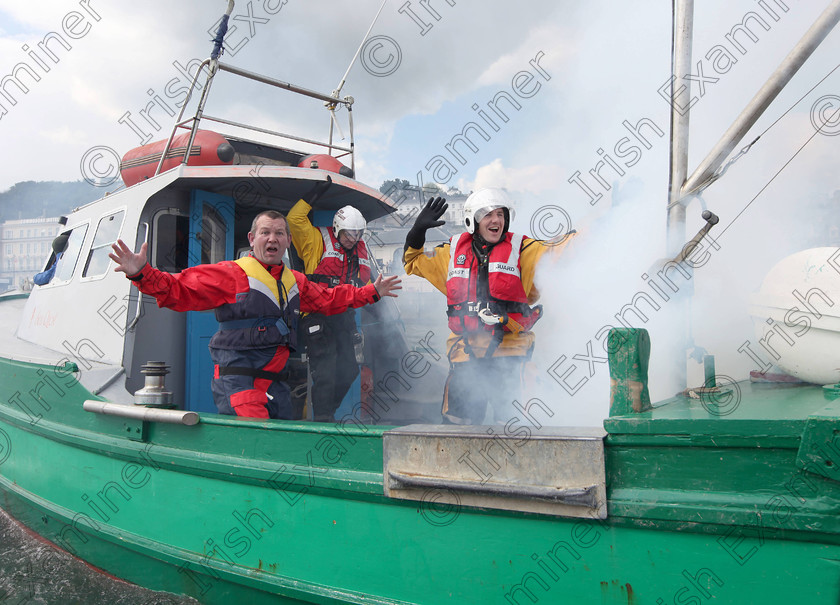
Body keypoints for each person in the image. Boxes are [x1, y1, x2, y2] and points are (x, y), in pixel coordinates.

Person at [109, 210, 401, 420]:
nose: (272, 239)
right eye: (265, 232)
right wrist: (142, 274)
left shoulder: (295, 280)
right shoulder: (231, 273)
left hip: (277, 385)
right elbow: (178, 289)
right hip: (240, 383)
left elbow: (329, 299)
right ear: (253, 238)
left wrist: (372, 291)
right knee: (258, 443)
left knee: (285, 442)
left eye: (278, 233)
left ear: (287, 241)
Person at [403, 189, 575, 424]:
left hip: (511, 356)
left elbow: (565, 250)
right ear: (472, 220)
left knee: (513, 429)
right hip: (465, 355)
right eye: (487, 215)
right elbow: (412, 261)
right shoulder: (452, 253)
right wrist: (417, 231)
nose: (496, 220)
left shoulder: (524, 249)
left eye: (500, 214)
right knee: (457, 427)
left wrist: (608, 218)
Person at [287, 176, 373, 422]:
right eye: (348, 233)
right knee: (325, 372)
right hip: (316, 315)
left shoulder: (359, 251)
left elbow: (363, 285)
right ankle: (323, 419)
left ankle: (327, 412)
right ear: (337, 228)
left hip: (343, 315)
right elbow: (294, 219)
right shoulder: (316, 241)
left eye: (358, 234)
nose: (353, 238)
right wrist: (313, 195)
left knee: (349, 370)